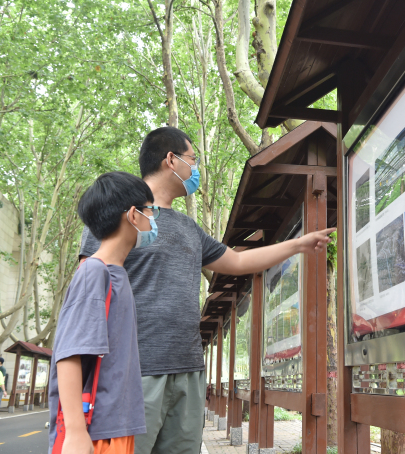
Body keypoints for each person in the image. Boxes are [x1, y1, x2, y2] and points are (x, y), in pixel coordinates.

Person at [78, 127, 333, 454]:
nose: (195, 170)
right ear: (171, 160)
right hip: (132, 372)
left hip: (188, 372)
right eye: (192, 160)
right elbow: (87, 293)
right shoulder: (117, 215)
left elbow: (239, 263)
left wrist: (297, 244)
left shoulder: (188, 228)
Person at [48, 172, 156, 453]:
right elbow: (70, 353)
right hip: (96, 433)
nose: (153, 219)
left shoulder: (116, 274)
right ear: (133, 215)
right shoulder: (96, 272)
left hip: (116, 427)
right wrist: (75, 432)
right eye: (150, 210)